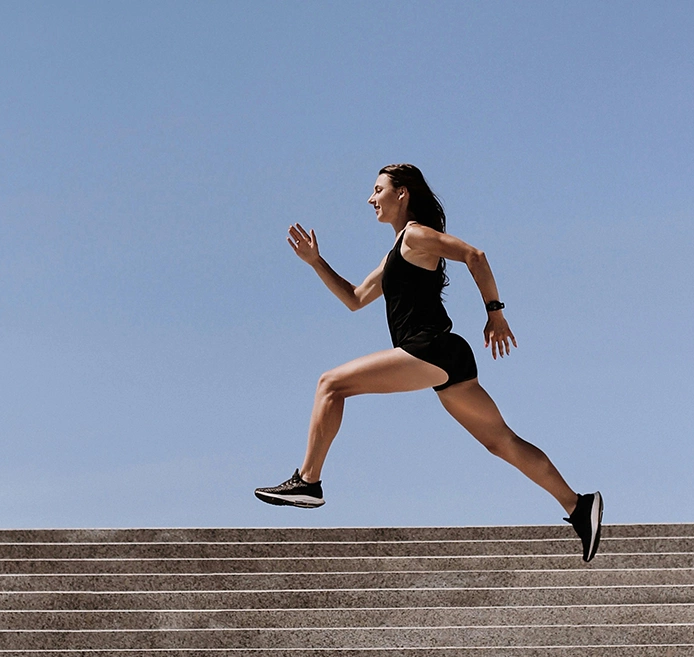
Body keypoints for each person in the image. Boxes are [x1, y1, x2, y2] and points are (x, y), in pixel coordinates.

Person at [254, 164, 603, 562]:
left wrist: (495, 312)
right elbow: (354, 298)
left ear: (402, 194)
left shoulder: (417, 235)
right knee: (501, 441)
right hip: (448, 357)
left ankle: (308, 482)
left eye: (378, 190)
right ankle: (578, 505)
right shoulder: (395, 254)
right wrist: (316, 261)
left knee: (330, 384)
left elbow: (474, 255)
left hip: (429, 349)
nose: (371, 199)